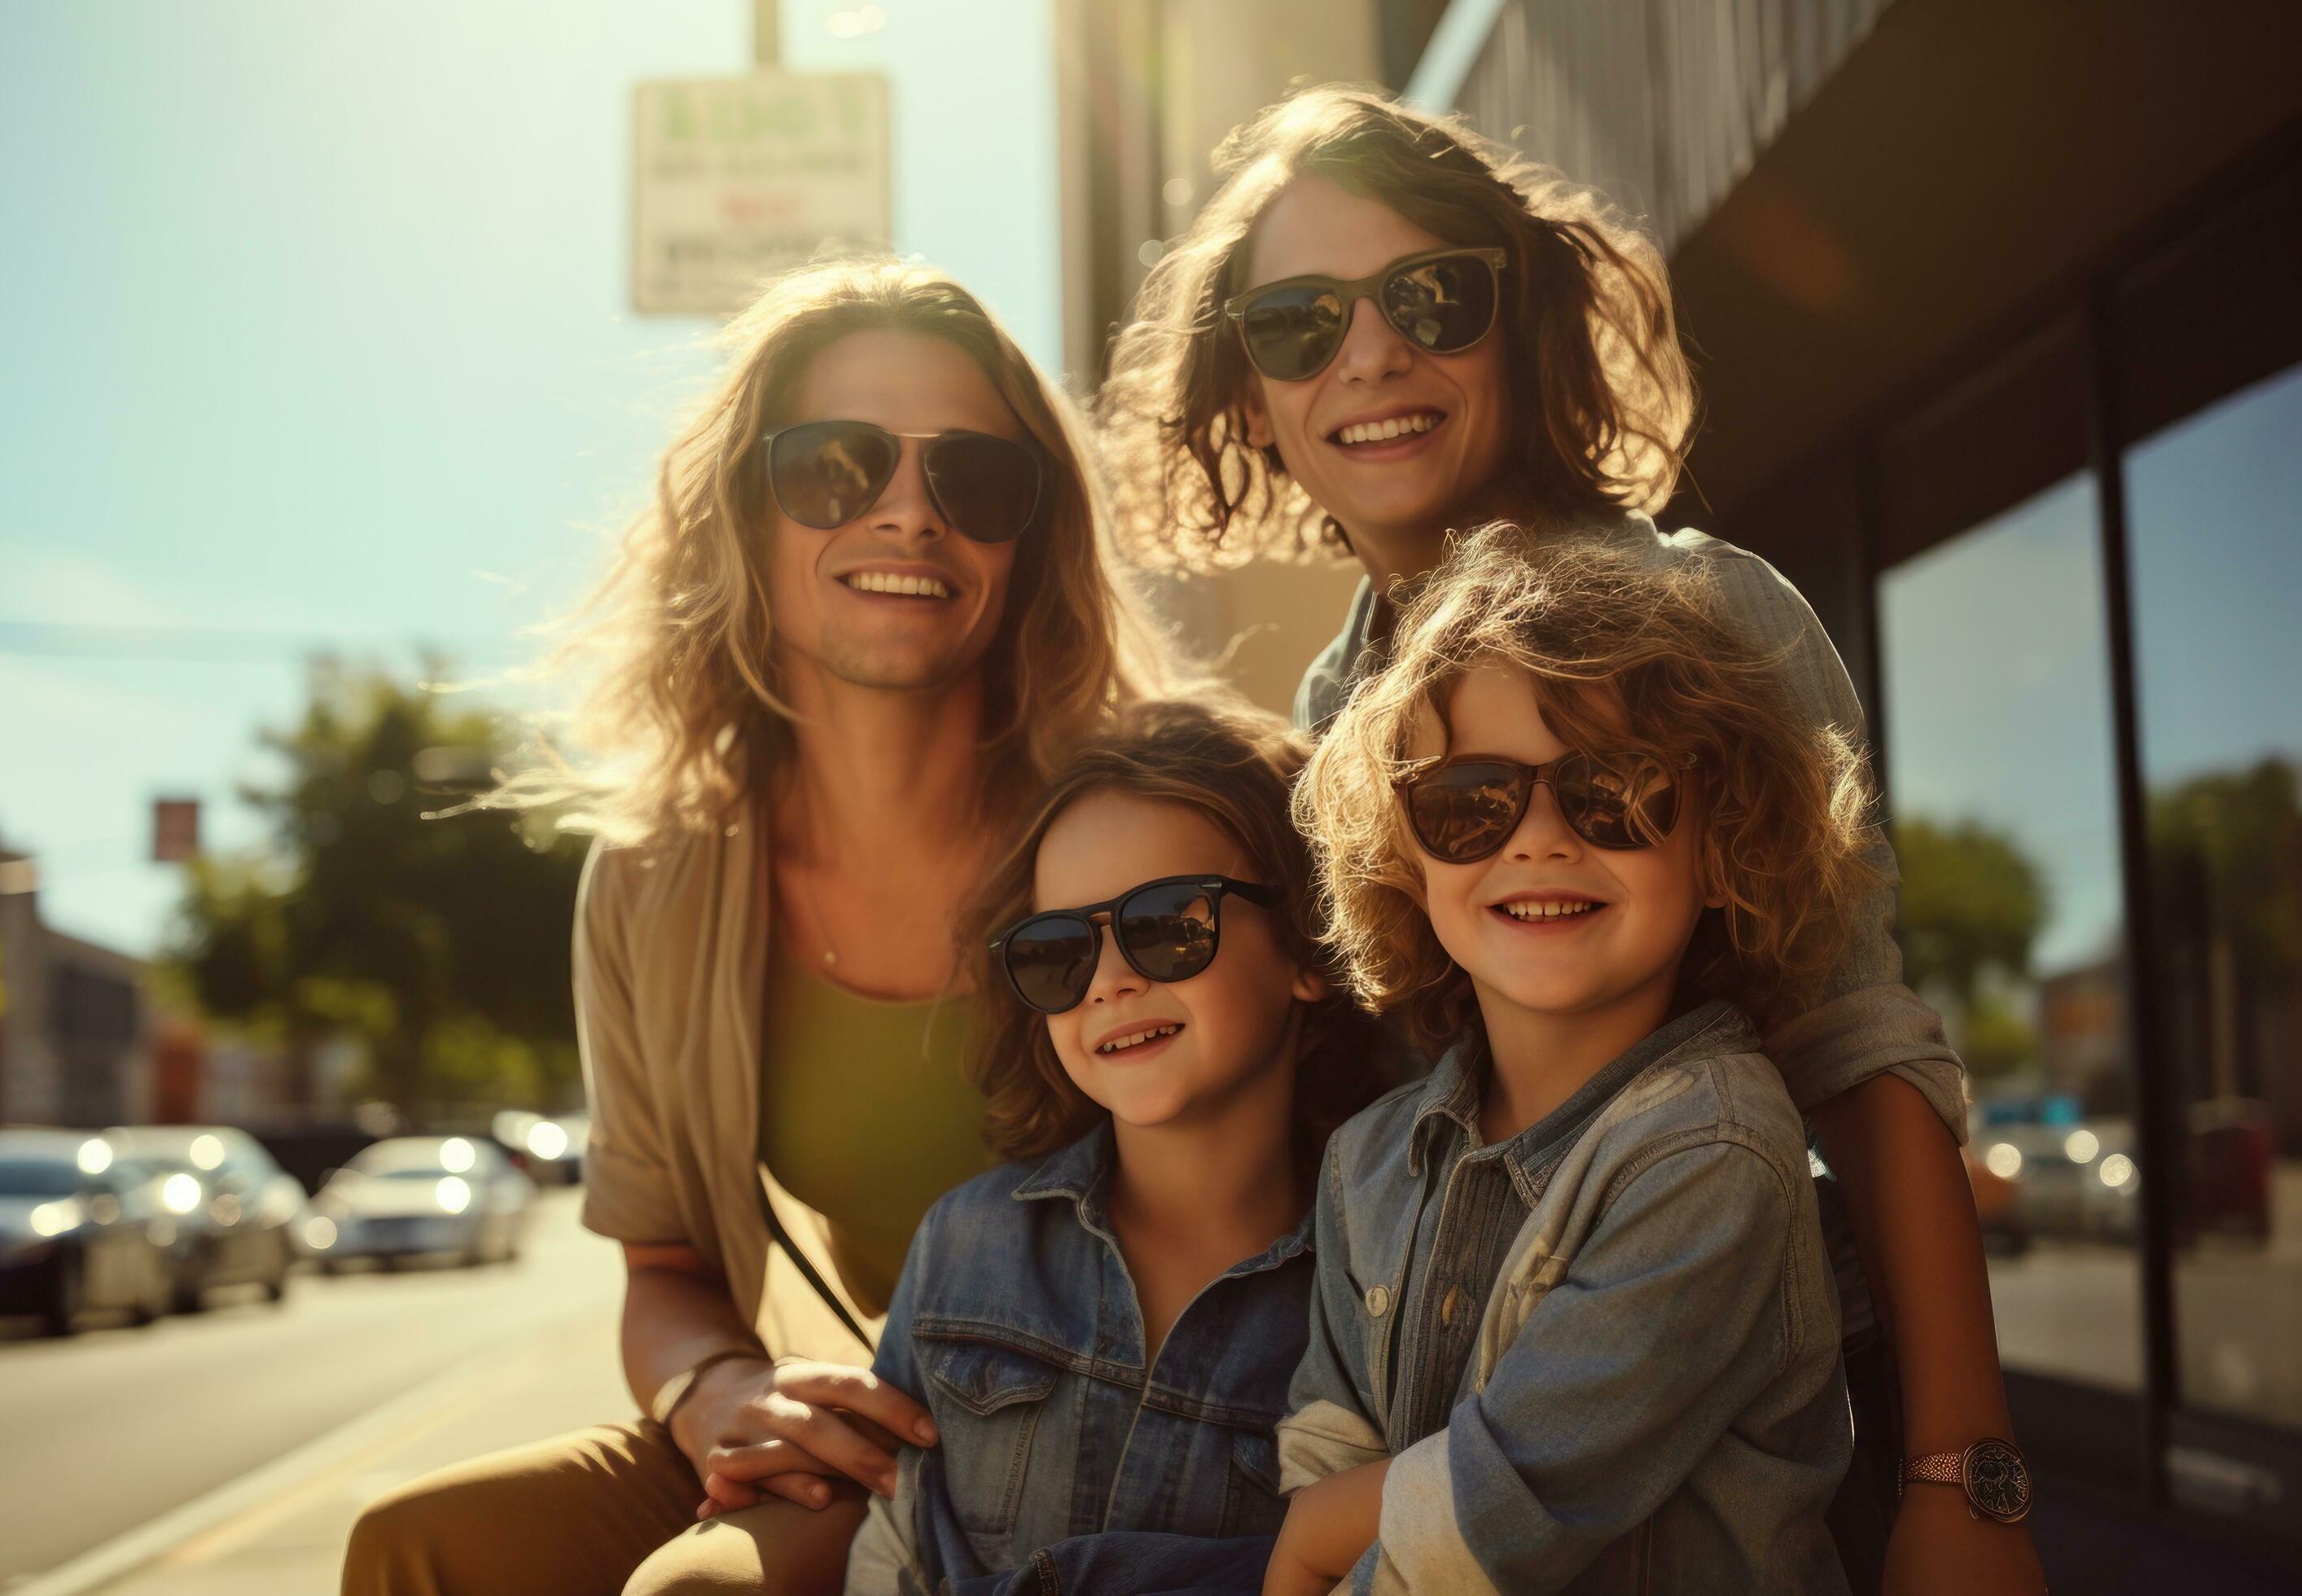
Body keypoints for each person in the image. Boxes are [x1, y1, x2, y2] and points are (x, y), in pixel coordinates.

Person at [1098, 86, 2042, 1592]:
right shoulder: (1336, 703)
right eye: (1299, 324)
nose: (1371, 354)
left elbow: (1863, 1058)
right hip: (1435, 1441)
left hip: (1716, 1457)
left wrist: (1965, 1486)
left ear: (1521, 318)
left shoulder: (1707, 616)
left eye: (1429, 296)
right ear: (1252, 390)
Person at [342, 258, 1165, 1596]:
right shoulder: (658, 881)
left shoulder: (1144, 826)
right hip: (873, 1424)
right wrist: (719, 1389)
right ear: (743, 513)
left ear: (1031, 540)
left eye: (974, 479)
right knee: (416, 1547)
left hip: (1132, 1421)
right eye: (835, 467)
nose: (908, 513)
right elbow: (662, 1263)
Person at [1269, 533, 1873, 1591]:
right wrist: (1315, 1525)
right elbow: (1326, 1443)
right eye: (1470, 800)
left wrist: (1316, 1543)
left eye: (1617, 791)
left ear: (1724, 842)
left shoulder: (1713, 1149)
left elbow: (1498, 1513)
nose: (1540, 837)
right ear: (1403, 855)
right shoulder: (1368, 1158)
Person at [829, 699, 1388, 1594]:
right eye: (1058, 951)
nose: (1109, 981)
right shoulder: (966, 1245)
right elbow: (890, 1553)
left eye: (1166, 925)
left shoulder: (1383, 1292)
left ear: (1308, 948)